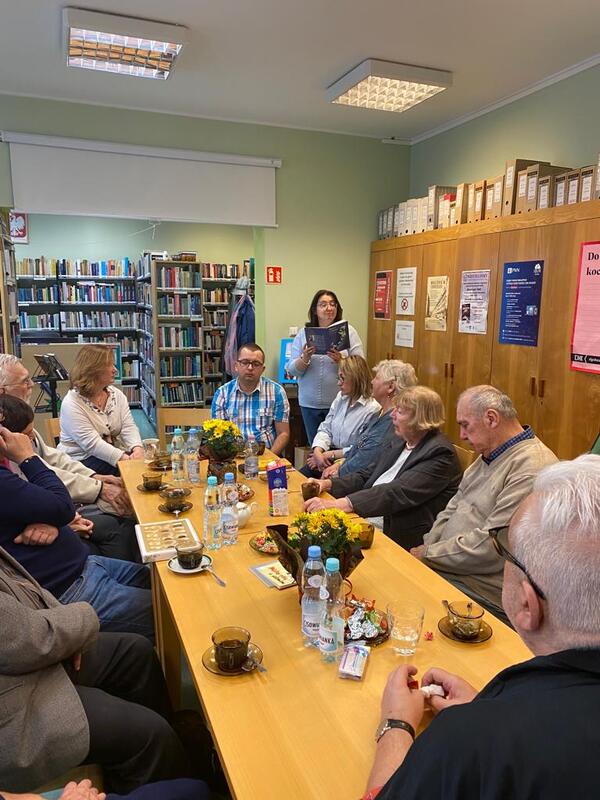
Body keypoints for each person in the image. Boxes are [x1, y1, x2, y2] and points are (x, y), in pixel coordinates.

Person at [364, 455, 600, 800]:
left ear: (526, 604)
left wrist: (397, 724)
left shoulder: (466, 744)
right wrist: (488, 710)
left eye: (506, 548)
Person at [0, 544, 188, 794]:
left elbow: (26, 588)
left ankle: (180, 753)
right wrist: (82, 619)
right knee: (151, 734)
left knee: (136, 652)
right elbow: (24, 639)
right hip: (16, 699)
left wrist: (69, 631)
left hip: (28, 654)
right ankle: (172, 773)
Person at [410, 385, 557, 616]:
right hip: (448, 566)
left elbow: (492, 548)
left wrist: (428, 554)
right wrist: (429, 547)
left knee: (405, 606)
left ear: (491, 418)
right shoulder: (488, 453)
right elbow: (451, 509)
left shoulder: (532, 466)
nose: (462, 435)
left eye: (465, 425)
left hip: (481, 589)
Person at [0, 424, 154, 640]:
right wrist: (27, 457)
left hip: (86, 565)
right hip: (71, 589)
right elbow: (62, 505)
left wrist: (55, 521)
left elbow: (52, 503)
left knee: (162, 581)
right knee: (172, 608)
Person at [0, 355, 137, 559]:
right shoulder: (8, 437)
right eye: (24, 381)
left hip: (57, 497)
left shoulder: (20, 419)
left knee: (127, 501)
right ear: (3, 392)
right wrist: (94, 493)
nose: (32, 385)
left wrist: (94, 478)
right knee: (122, 513)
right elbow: (33, 478)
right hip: (48, 508)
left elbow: (50, 459)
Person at [305, 387, 461, 548]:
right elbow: (367, 474)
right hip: (368, 516)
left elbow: (396, 492)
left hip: (398, 534)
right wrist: (326, 484)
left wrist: (339, 505)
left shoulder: (440, 453)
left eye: (399, 412)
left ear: (420, 419)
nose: (392, 415)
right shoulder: (399, 440)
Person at [285, 289, 364, 443]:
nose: (329, 308)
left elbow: (361, 366)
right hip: (309, 402)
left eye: (332, 304)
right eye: (323, 305)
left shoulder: (349, 332)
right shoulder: (303, 334)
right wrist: (305, 358)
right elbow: (292, 370)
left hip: (340, 401)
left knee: (337, 444)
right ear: (315, 310)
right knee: (315, 446)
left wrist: (341, 360)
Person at [321, 359, 418, 479]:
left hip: (353, 482)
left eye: (376, 378)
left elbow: (364, 461)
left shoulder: (390, 423)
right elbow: (358, 447)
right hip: (346, 471)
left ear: (390, 387)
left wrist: (336, 473)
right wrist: (339, 464)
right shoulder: (379, 414)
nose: (372, 382)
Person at [58, 345, 144, 476]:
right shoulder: (72, 403)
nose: (115, 370)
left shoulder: (116, 395)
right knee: (134, 476)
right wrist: (126, 460)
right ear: (93, 370)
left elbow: (128, 426)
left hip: (109, 455)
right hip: (80, 462)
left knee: (147, 468)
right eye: (110, 365)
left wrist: (137, 448)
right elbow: (92, 444)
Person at [300, 355, 380, 478]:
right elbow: (326, 428)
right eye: (338, 377)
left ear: (355, 378)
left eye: (342, 378)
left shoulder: (372, 409)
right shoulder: (340, 397)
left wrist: (329, 455)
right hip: (327, 455)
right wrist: (318, 451)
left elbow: (360, 449)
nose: (338, 383)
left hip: (348, 460)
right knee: (297, 479)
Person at [211, 342, 290, 455]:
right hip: (233, 456)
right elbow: (218, 435)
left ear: (263, 369)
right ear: (236, 366)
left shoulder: (277, 392)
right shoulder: (222, 394)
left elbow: (283, 433)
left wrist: (269, 459)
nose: (250, 368)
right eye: (245, 362)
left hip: (267, 455)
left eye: (256, 364)